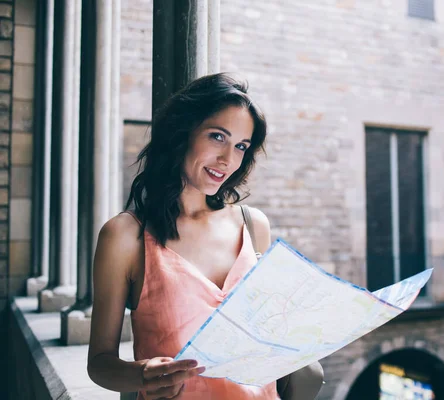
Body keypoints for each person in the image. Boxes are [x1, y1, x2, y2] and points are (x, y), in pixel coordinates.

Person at [87, 73, 323, 399]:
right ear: (181, 133)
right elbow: (99, 363)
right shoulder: (125, 237)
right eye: (217, 137)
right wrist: (143, 375)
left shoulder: (254, 227)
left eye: (241, 146)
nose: (228, 159)